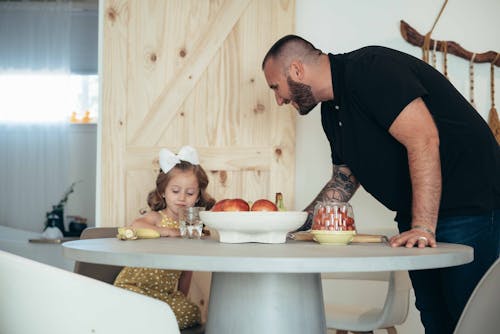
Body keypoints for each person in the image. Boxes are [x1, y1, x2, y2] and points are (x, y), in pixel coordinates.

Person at [262, 34, 499, 334]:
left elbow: (423, 139)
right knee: (434, 317)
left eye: (276, 87)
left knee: (469, 319)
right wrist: (292, 226)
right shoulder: (331, 111)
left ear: (296, 71)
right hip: (416, 214)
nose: (279, 99)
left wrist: (424, 226)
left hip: (468, 201)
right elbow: (343, 181)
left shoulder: (371, 68)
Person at [113, 146, 215, 330]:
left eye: (190, 193)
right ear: (163, 192)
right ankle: (147, 322)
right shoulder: (157, 217)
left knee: (192, 312)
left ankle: (150, 323)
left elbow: (187, 270)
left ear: (198, 195)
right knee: (140, 307)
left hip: (162, 295)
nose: (182, 198)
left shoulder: (192, 229)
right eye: (175, 191)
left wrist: (180, 297)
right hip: (135, 287)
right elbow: (135, 226)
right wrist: (166, 230)